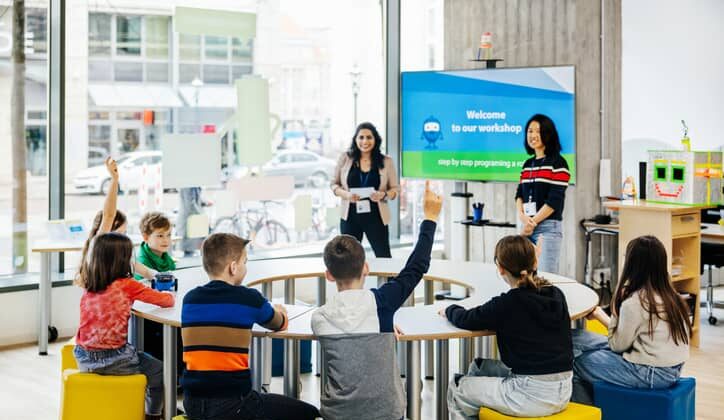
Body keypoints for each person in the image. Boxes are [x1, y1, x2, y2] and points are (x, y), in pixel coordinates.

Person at [312, 180, 442, 420]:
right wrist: (430, 218)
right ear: (366, 269)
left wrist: (384, 324)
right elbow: (416, 267)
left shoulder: (319, 318)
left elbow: (353, 335)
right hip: (387, 414)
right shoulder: (381, 304)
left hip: (337, 415)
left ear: (328, 275)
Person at [180, 233, 320, 420]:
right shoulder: (248, 298)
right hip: (233, 405)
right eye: (245, 262)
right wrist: (278, 309)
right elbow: (280, 323)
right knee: (309, 413)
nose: (246, 267)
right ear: (233, 267)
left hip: (192, 403)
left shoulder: (190, 299)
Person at [441, 235, 573, 419]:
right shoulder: (556, 293)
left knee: (458, 386)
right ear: (535, 262)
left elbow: (466, 319)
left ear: (501, 269)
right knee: (478, 367)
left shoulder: (507, 304)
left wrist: (449, 308)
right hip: (564, 390)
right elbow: (532, 284)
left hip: (530, 395)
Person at [571, 235, 690, 405]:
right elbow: (629, 337)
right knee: (578, 338)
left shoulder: (636, 302)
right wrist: (600, 315)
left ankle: (594, 413)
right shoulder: (672, 296)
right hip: (669, 368)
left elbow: (617, 345)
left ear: (633, 265)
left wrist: (615, 311)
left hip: (651, 372)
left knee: (578, 362)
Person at [74, 232, 175, 420]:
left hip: (83, 357)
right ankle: (152, 414)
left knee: (132, 349)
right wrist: (170, 292)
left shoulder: (89, 283)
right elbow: (166, 301)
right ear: (122, 260)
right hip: (113, 359)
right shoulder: (128, 285)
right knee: (159, 369)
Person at [76, 157, 156, 288]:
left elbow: (147, 272)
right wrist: (114, 180)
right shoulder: (97, 249)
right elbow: (109, 215)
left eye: (124, 233)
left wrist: (162, 277)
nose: (121, 239)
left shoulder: (121, 256)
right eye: (117, 233)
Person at [331, 122, 400, 257]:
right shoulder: (345, 158)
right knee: (347, 259)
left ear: (375, 139)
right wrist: (346, 194)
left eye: (369, 137)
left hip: (376, 217)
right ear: (355, 139)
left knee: (384, 256)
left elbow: (395, 190)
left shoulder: (386, 161)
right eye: (361, 137)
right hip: (350, 216)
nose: (365, 141)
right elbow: (334, 184)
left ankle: (389, 279)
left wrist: (383, 194)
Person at [514, 114, 570, 274]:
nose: (533, 135)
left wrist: (532, 222)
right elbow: (519, 194)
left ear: (548, 134)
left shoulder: (558, 163)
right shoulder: (527, 164)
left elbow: (555, 200)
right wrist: (522, 217)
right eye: (530, 131)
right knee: (523, 277)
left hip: (547, 228)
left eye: (538, 131)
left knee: (545, 277)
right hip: (526, 227)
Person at [136, 212, 176, 278]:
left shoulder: (166, 257)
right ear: (146, 237)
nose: (166, 240)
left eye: (169, 235)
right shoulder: (142, 264)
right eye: (160, 236)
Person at [177, 187, 208, 257]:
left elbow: (196, 200)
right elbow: (190, 205)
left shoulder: (194, 186)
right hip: (188, 220)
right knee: (189, 250)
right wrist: (202, 214)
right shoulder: (187, 187)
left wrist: (205, 203)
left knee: (192, 250)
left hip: (192, 220)